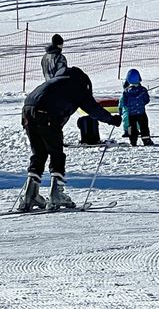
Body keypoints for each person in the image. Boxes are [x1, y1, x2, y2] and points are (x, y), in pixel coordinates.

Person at [18, 67, 121, 212]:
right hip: (46, 115)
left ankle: (30, 195)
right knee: (57, 154)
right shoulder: (77, 86)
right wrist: (112, 120)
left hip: (27, 113)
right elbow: (93, 109)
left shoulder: (56, 82)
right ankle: (56, 195)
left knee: (39, 153)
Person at [121, 69, 153, 146]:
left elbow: (124, 102)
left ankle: (133, 141)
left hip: (131, 114)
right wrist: (141, 103)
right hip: (141, 112)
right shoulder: (143, 90)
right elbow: (146, 100)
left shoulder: (126, 91)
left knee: (132, 126)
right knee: (144, 126)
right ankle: (146, 140)